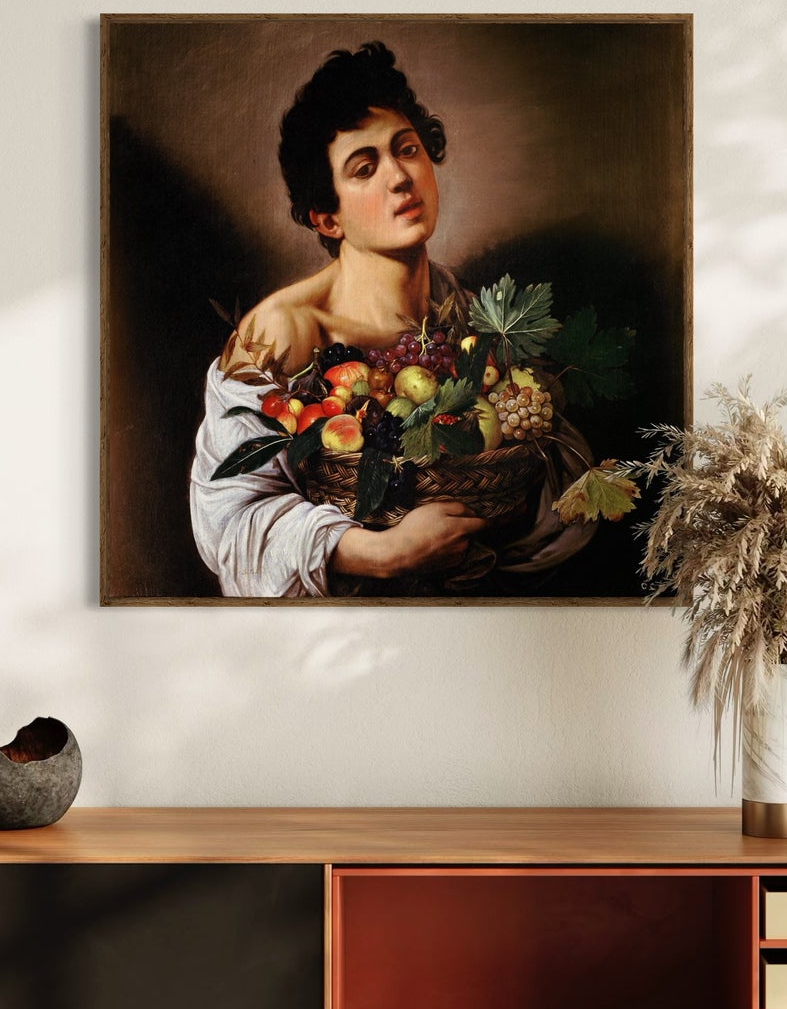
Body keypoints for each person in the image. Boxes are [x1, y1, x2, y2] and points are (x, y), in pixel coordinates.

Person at [188, 42, 593, 597]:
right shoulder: (279, 334)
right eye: (364, 168)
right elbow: (228, 526)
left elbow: (549, 467)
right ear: (326, 217)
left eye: (407, 149)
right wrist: (381, 552)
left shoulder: (468, 313)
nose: (399, 176)